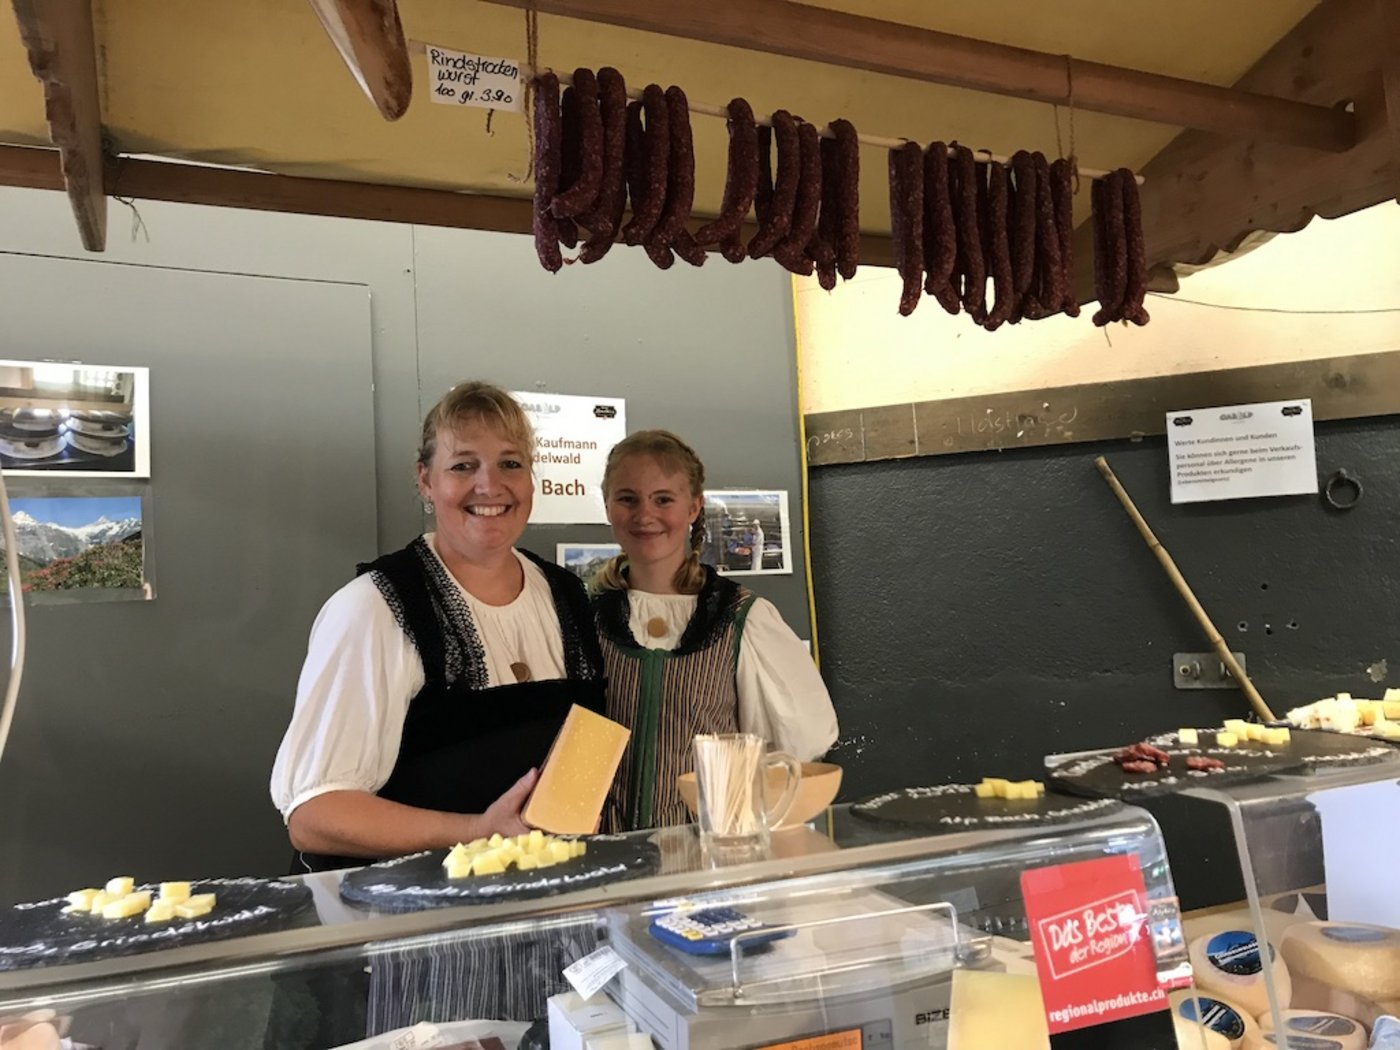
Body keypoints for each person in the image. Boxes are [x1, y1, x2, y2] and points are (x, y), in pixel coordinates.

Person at [269, 382, 605, 1028]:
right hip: (402, 955)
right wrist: (476, 832)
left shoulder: (565, 595)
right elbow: (313, 814)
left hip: (529, 939)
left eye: (511, 462)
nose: (491, 485)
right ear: (425, 481)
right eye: (462, 465)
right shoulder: (372, 609)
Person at [591, 430, 838, 832]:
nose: (644, 514)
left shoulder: (741, 618)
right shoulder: (586, 619)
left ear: (694, 507)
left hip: (710, 854)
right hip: (608, 854)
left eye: (663, 499)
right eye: (627, 498)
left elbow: (797, 745)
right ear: (607, 506)